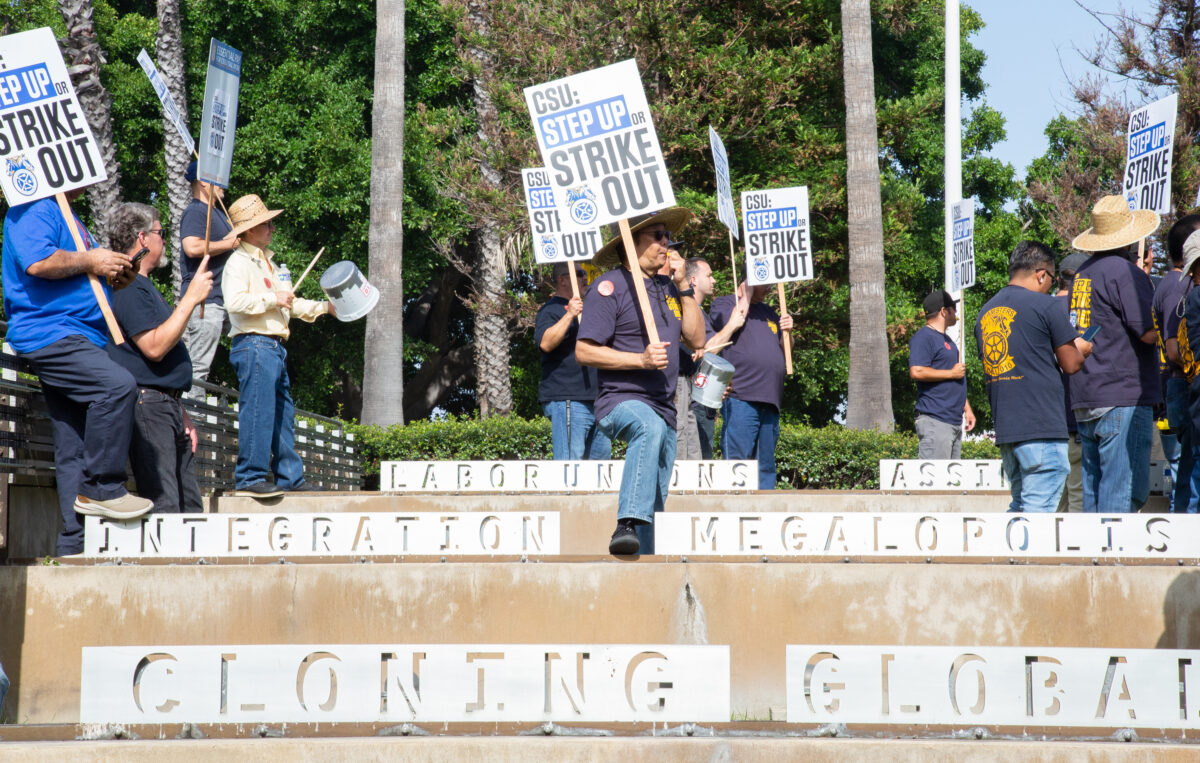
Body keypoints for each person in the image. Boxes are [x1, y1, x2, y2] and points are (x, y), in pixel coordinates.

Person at [2, 190, 151, 555]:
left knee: (73, 443)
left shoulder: (66, 214)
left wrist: (115, 275)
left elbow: (81, 269)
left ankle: (75, 543)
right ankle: (103, 488)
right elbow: (39, 262)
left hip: (78, 335)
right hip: (53, 333)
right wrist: (92, 260)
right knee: (117, 387)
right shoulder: (35, 207)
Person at [576, 209, 706, 555]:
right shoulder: (610, 287)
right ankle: (626, 522)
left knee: (656, 498)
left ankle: (643, 561)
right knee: (647, 427)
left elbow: (696, 339)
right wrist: (640, 360)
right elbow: (584, 351)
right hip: (620, 401)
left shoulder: (669, 288)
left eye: (667, 236)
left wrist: (683, 286)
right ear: (632, 246)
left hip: (665, 410)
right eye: (658, 236)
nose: (667, 243)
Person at [222, 195, 334, 496]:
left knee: (282, 414)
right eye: (265, 223)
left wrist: (325, 307)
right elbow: (234, 303)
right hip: (254, 344)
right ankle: (249, 478)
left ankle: (289, 477)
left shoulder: (267, 262)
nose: (272, 227)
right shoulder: (238, 263)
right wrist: (274, 299)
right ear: (247, 231)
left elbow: (289, 304)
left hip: (271, 346)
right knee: (258, 410)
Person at [106, 203, 211, 514]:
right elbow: (153, 347)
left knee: (190, 508)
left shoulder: (142, 285)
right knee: (165, 506)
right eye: (161, 233)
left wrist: (180, 409)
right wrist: (190, 299)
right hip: (148, 406)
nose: (165, 240)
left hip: (166, 406)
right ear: (143, 238)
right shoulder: (127, 286)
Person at [976, 241, 1090, 512]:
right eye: (1051, 279)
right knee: (1039, 514)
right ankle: (1027, 558)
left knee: (1020, 507)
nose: (1051, 285)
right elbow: (1072, 364)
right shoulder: (1045, 306)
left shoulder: (984, 312)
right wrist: (1083, 347)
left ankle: (1011, 556)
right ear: (1041, 274)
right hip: (1042, 427)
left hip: (1007, 429)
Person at [1068, 195, 1161, 513]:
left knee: (1095, 497)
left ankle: (1095, 561)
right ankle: (1113, 563)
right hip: (1122, 397)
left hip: (1087, 395)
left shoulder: (1082, 274)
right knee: (1124, 496)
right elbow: (1148, 332)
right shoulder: (1124, 273)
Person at [710, 282, 794, 490]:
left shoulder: (769, 312)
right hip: (742, 396)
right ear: (749, 281)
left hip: (770, 399)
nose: (771, 289)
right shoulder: (725, 304)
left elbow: (787, 349)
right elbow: (723, 327)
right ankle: (732, 511)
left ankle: (764, 514)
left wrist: (788, 331)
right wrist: (746, 291)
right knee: (737, 462)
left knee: (765, 465)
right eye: (765, 283)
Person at [535, 261, 611, 460]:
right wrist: (569, 314)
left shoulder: (591, 312)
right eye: (579, 273)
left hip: (598, 400)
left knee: (599, 471)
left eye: (585, 273)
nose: (585, 278)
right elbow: (546, 343)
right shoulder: (550, 310)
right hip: (569, 398)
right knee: (570, 469)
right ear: (562, 280)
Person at [179, 160, 240, 398]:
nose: (223, 183)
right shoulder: (195, 211)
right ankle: (194, 418)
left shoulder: (218, 213)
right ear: (204, 182)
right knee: (199, 366)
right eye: (217, 177)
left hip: (223, 299)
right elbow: (192, 247)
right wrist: (229, 243)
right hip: (206, 300)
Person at [1161, 216, 1200, 513]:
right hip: (1187, 385)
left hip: (1188, 385)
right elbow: (1175, 349)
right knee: (1189, 465)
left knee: (1188, 463)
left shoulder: (1177, 290)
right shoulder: (1187, 294)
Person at [907, 290, 976, 458]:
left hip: (953, 420)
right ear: (944, 311)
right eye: (953, 309)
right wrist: (951, 373)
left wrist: (967, 408)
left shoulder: (948, 341)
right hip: (935, 420)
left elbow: (956, 377)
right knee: (936, 483)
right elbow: (916, 371)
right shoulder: (923, 337)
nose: (956, 313)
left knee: (952, 483)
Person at [1055, 253, 1089, 512]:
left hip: (1047, 421)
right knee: (1078, 496)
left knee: (1055, 499)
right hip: (1077, 415)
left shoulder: (1039, 309)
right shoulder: (1085, 312)